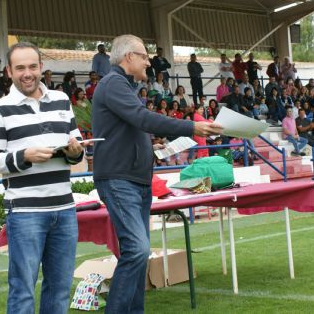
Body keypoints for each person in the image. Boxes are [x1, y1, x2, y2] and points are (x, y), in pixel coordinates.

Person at [91, 34, 222, 314]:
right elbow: (142, 118)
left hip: (136, 180)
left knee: (137, 254)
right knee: (137, 251)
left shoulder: (124, 86)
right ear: (128, 57)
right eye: (143, 55)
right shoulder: (113, 83)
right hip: (119, 179)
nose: (148, 61)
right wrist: (192, 127)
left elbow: (136, 124)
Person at [0, 42, 84, 314]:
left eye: (32, 66)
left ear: (41, 67)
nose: (28, 73)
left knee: (60, 288)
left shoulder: (62, 100)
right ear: (8, 72)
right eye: (20, 68)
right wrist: (23, 156)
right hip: (25, 211)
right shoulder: (0, 109)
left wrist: (75, 151)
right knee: (23, 288)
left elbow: (78, 151)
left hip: (64, 209)